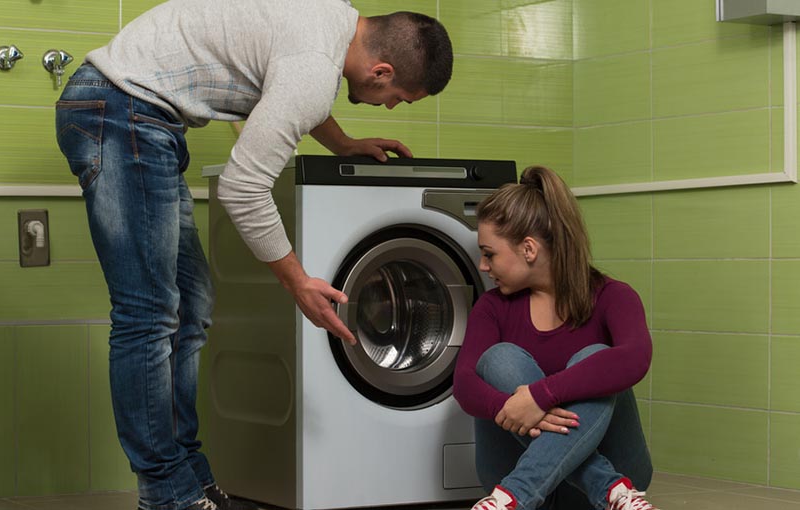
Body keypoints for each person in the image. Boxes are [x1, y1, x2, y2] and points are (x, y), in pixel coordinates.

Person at [53, 1, 453, 510]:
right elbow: (243, 188)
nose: (392, 107)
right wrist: (298, 282)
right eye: (398, 98)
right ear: (381, 71)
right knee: (148, 314)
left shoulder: (330, 23)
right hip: (121, 111)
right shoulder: (315, 67)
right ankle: (164, 494)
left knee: (190, 304)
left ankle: (187, 474)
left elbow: (290, 87)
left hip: (135, 114)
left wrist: (341, 143)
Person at [453, 165, 659, 510]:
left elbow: (635, 357)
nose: (483, 266)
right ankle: (610, 489)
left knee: (596, 356)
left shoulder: (613, 296)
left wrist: (539, 396)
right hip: (537, 474)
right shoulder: (492, 307)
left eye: (490, 253)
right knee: (500, 358)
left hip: (608, 468)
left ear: (529, 249)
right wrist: (510, 407)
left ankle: (513, 497)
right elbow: (464, 384)